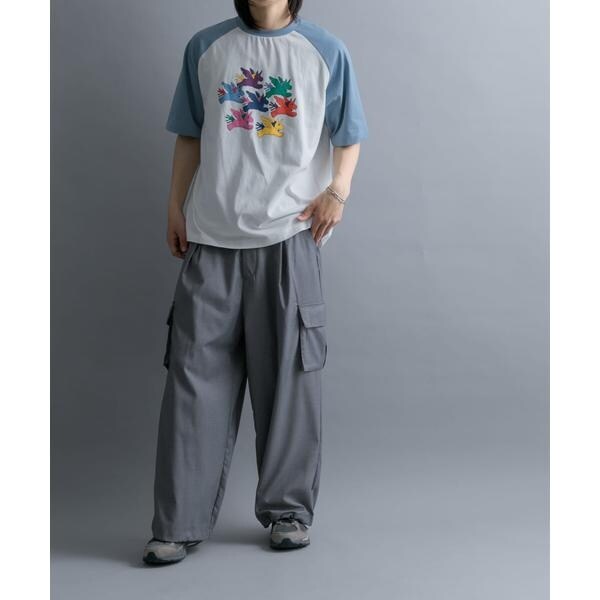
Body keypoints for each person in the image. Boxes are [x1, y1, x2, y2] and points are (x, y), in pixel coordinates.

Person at [143, 0, 367, 565]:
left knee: (290, 379)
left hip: (288, 237)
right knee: (192, 381)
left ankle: (289, 513)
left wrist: (337, 192)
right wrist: (174, 206)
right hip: (211, 238)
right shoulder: (205, 47)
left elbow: (350, 134)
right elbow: (190, 135)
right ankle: (178, 522)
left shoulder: (325, 51)